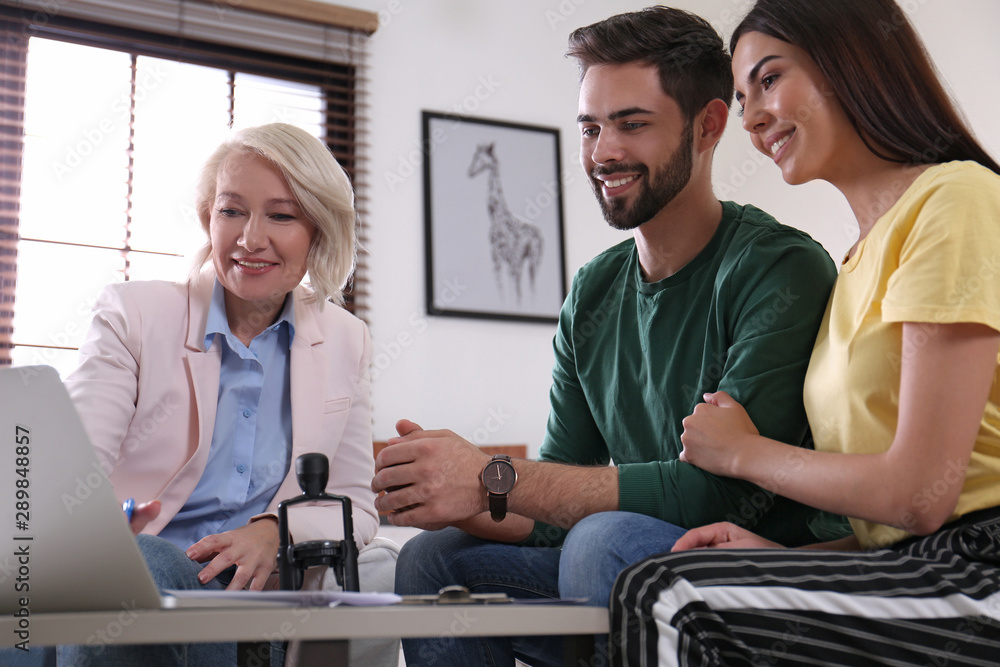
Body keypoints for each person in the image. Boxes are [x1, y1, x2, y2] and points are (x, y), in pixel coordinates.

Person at [375, 7, 842, 666]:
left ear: (708, 125)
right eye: (591, 128)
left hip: (764, 580)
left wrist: (488, 476)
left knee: (601, 540)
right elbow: (550, 498)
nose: (603, 153)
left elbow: (717, 495)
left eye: (632, 124)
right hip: (624, 565)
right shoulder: (592, 291)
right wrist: (449, 491)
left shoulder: (780, 269)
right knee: (431, 559)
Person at [609, 1, 1000, 664]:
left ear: (853, 61)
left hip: (981, 572)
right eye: (742, 99)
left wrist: (743, 453)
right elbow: (894, 531)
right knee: (676, 579)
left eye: (769, 79)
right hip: (918, 566)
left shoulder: (954, 200)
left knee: (669, 596)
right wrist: (783, 557)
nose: (752, 119)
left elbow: (920, 495)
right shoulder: (853, 265)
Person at [44, 123, 396, 666]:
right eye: (232, 211)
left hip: (255, 601)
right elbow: (74, 469)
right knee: (147, 564)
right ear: (209, 217)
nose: (250, 238)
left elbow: (353, 501)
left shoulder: (347, 339)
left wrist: (276, 531)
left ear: (319, 230)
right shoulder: (134, 316)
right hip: (135, 578)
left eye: (281, 216)